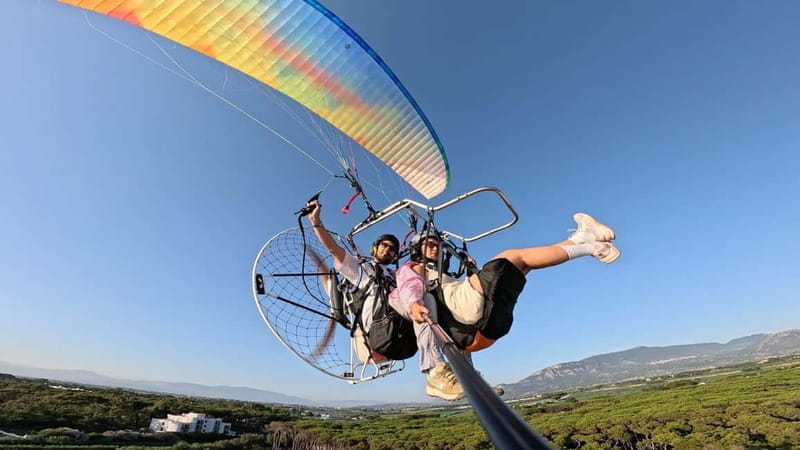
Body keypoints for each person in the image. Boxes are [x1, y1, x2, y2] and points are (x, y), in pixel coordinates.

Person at [305, 200, 465, 401]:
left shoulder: (395, 275)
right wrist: (316, 222)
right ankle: (435, 372)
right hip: (380, 328)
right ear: (375, 247)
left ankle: (463, 370)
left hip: (401, 327)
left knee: (438, 303)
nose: (388, 250)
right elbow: (334, 249)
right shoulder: (361, 270)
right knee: (425, 300)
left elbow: (414, 283)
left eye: (392, 249)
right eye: (384, 245)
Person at [395, 212, 621, 353]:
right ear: (417, 250)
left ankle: (580, 238)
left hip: (484, 329)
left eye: (436, 244)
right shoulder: (413, 268)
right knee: (512, 256)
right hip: (467, 322)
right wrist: (414, 304)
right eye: (428, 245)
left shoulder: (440, 274)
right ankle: (595, 247)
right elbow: (408, 286)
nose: (434, 248)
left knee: (523, 266)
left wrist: (470, 274)